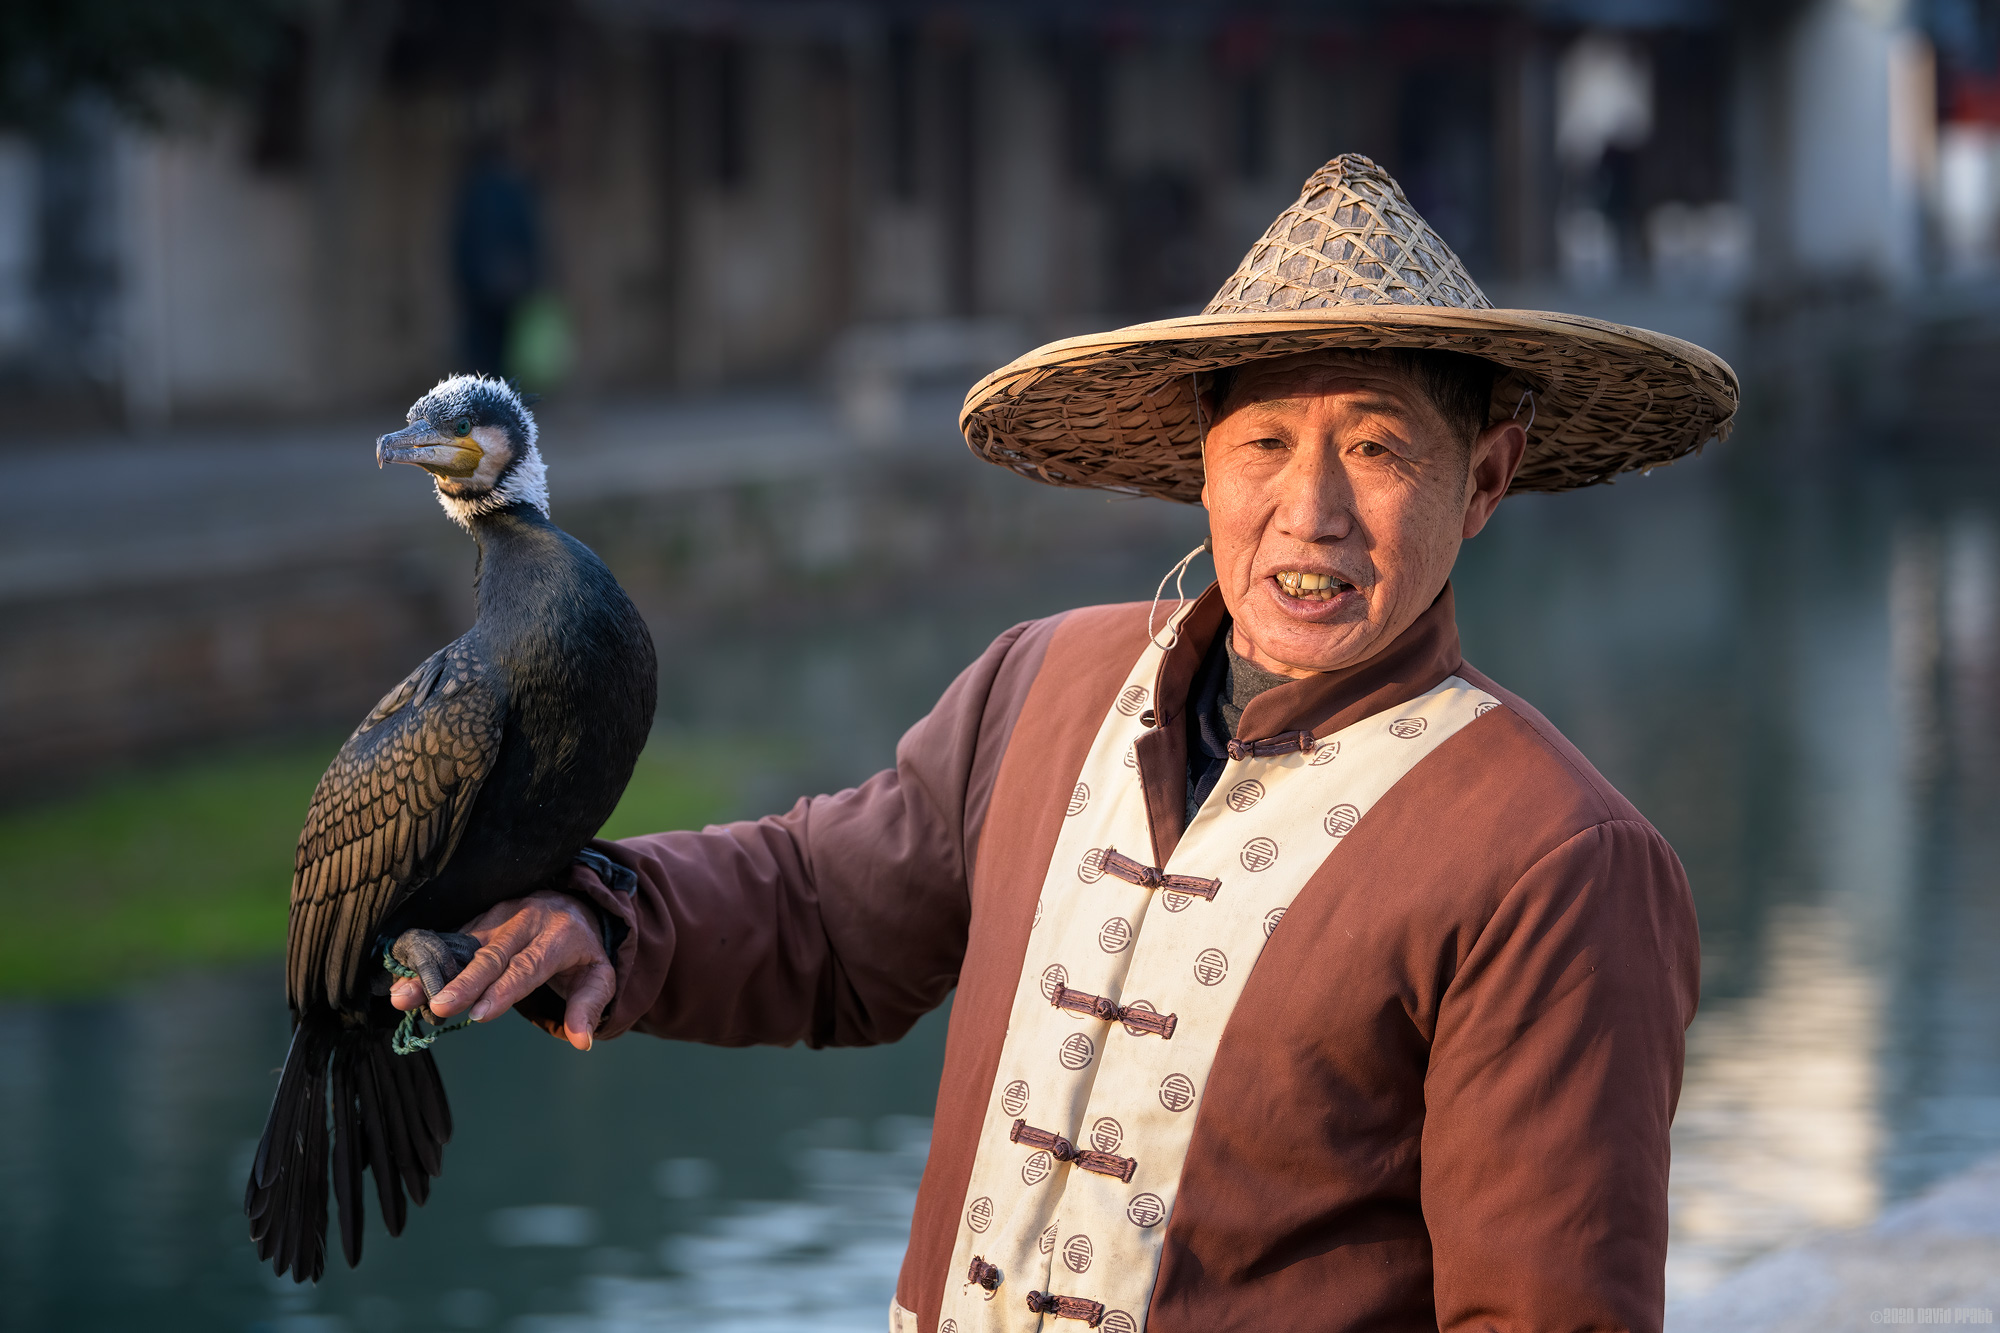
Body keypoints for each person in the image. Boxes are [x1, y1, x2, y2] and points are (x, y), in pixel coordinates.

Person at [392, 155, 1738, 1331]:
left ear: (1486, 478)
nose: (1309, 511)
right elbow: (825, 906)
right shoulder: (1049, 680)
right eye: (1263, 440)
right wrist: (608, 915)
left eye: (1379, 448)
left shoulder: (1555, 859)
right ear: (1201, 462)